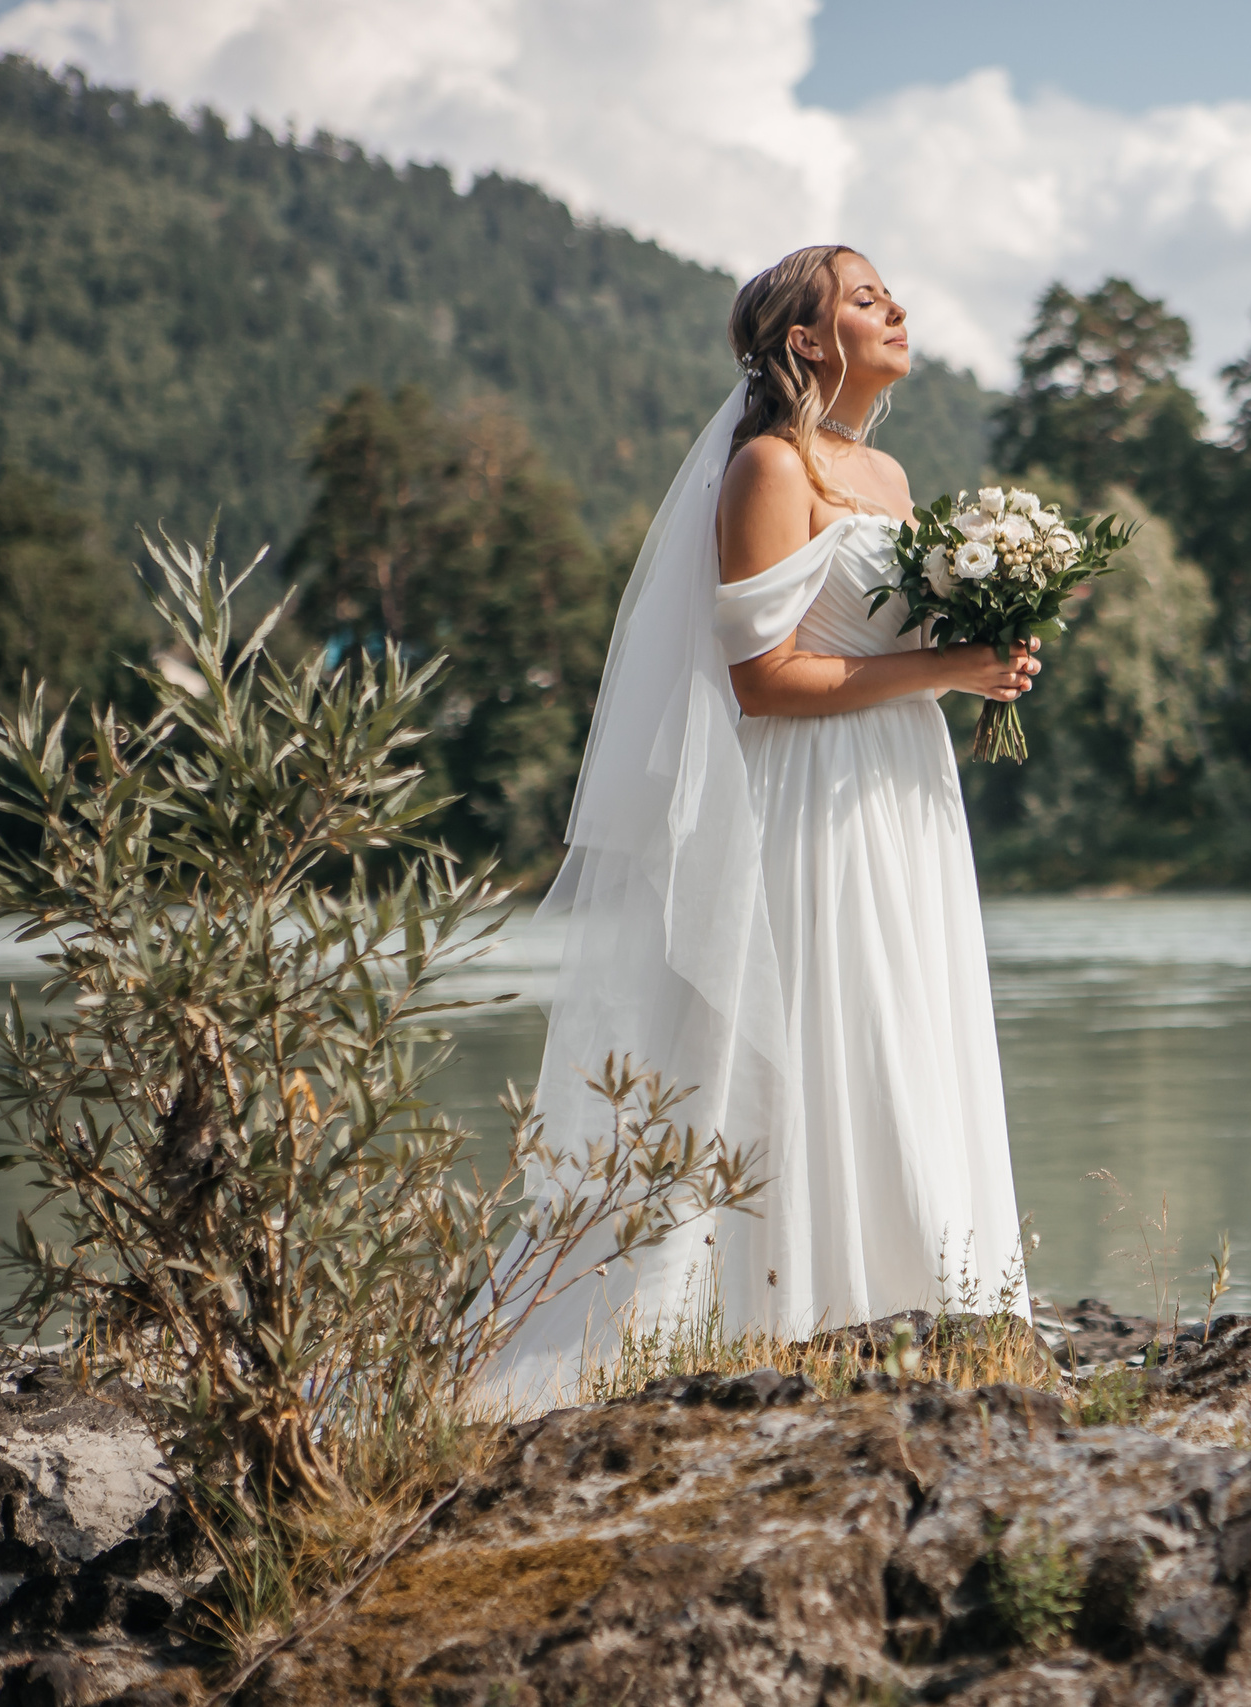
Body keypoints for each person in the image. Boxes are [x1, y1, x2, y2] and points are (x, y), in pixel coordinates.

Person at [502, 245, 1037, 1393]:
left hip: (903, 795)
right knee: (830, 1027)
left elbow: (897, 646)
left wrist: (984, 662)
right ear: (806, 340)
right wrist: (943, 666)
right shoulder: (766, 470)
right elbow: (761, 679)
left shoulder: (886, 477)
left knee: (907, 1015)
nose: (896, 306)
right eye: (864, 297)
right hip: (806, 794)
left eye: (891, 292)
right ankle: (781, 1303)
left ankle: (930, 1294)